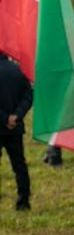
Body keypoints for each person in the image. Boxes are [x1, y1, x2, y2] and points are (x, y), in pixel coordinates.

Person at [0, 51, 34, 211]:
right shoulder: (19, 70)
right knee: (19, 164)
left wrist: (4, 118)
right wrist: (16, 115)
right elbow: (28, 95)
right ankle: (24, 200)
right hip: (15, 128)